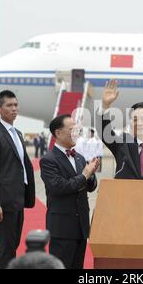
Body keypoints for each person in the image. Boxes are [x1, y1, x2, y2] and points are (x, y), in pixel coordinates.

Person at [0, 90, 36, 269]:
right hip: (4, 202)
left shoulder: (18, 133)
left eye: (15, 105)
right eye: (9, 105)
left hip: (18, 198)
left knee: (10, 245)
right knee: (7, 248)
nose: (14, 109)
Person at [40, 114, 99, 269]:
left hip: (81, 227)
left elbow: (90, 187)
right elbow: (59, 187)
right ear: (58, 133)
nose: (76, 133)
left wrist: (91, 174)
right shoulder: (49, 160)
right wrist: (85, 175)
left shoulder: (79, 157)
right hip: (62, 227)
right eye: (72, 129)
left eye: (77, 129)